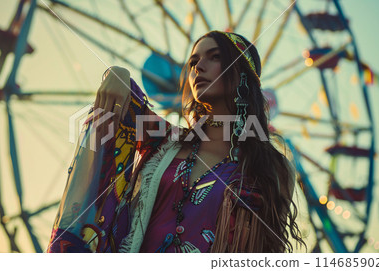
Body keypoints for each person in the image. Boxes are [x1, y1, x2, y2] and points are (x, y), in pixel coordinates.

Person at [47, 30, 305, 253]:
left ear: (242, 75)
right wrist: (117, 72)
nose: (198, 67)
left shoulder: (273, 167)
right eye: (193, 61)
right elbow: (124, 103)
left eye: (215, 57)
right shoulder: (167, 141)